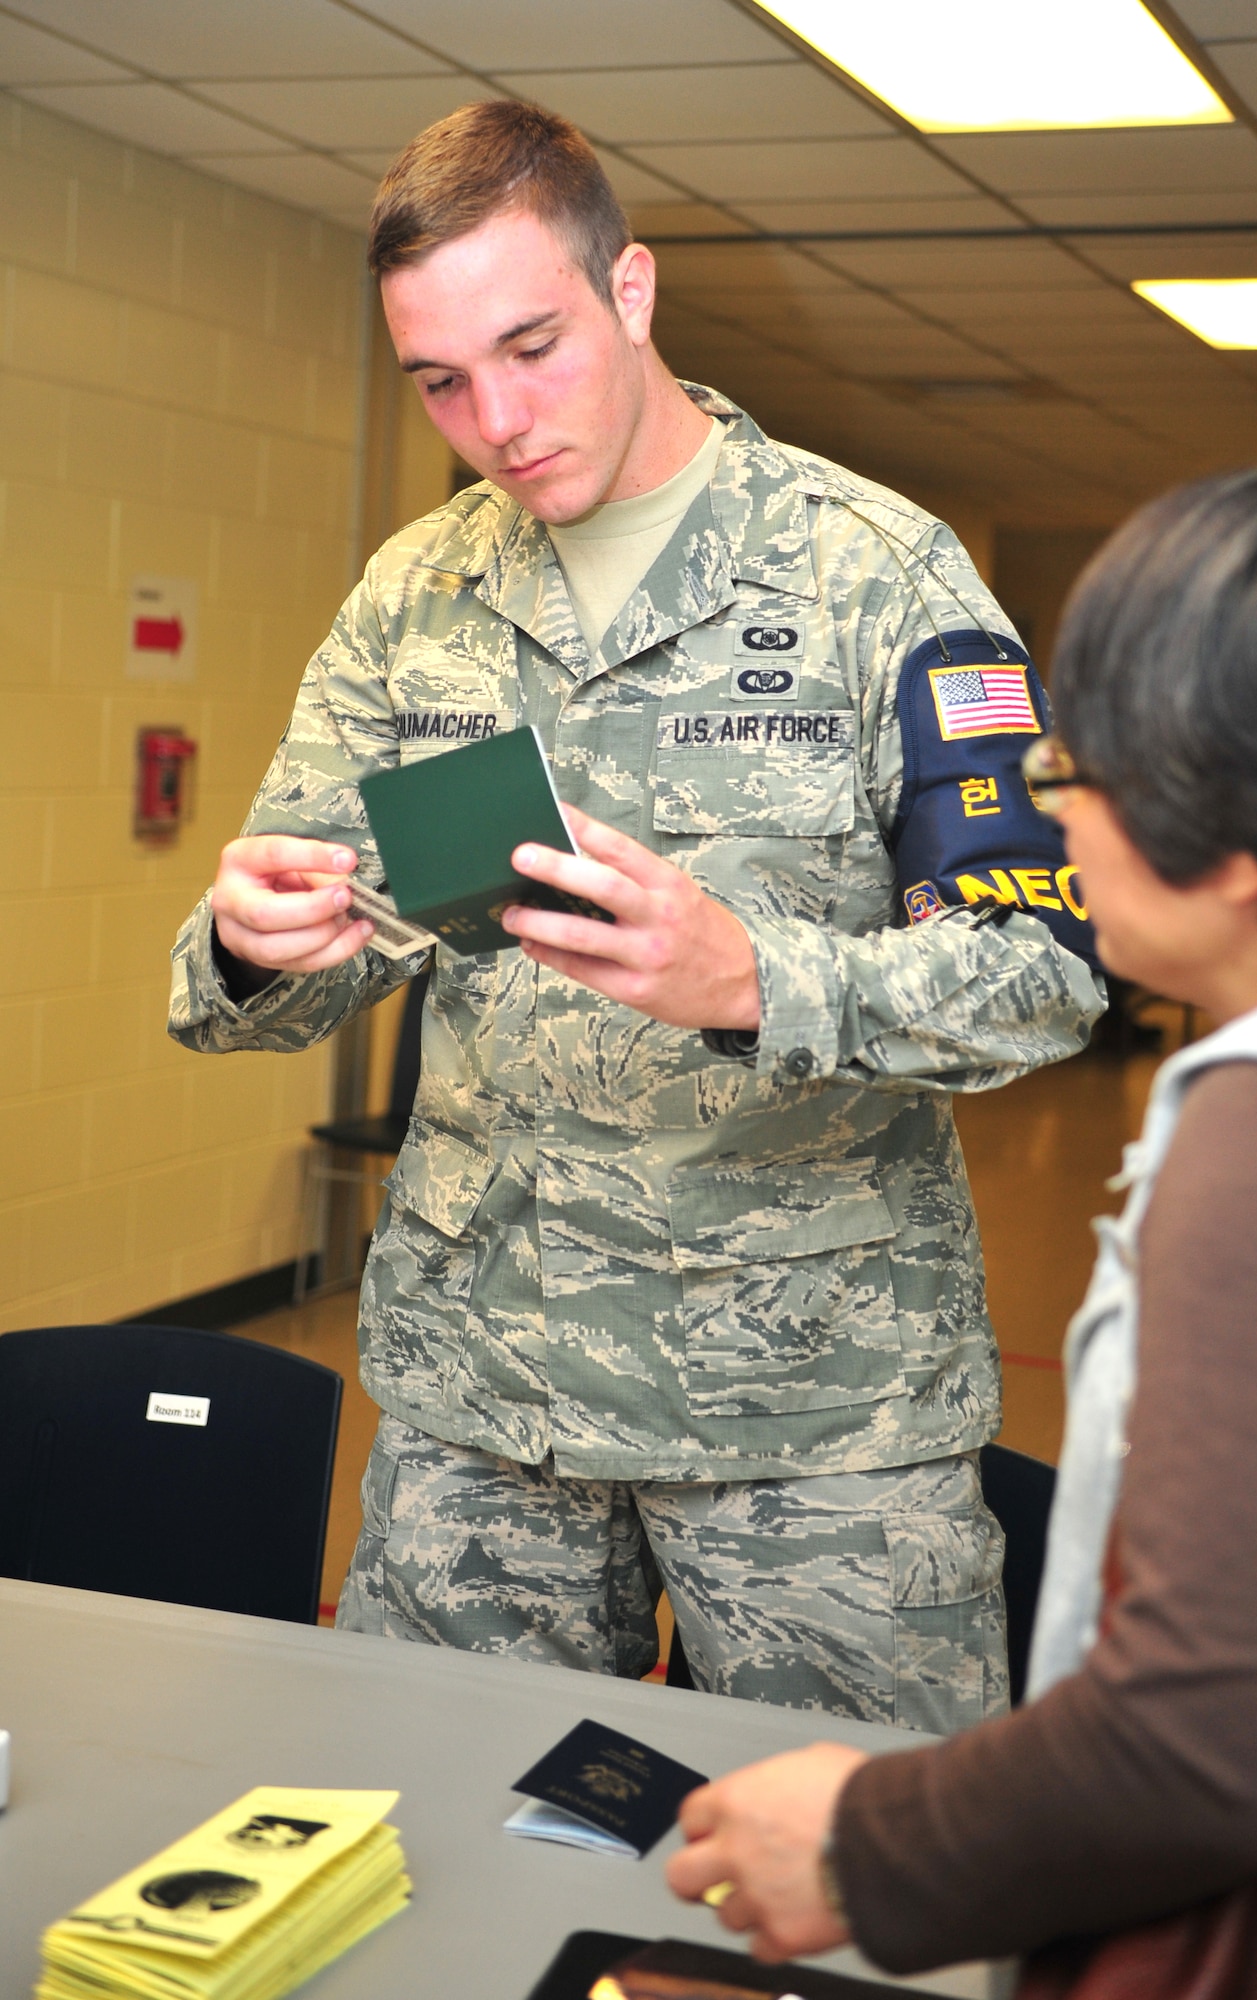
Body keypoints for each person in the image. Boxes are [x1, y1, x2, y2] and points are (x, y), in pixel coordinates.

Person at [167, 100, 1101, 1729]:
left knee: (863, 1915)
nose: (498, 421)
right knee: (432, 1864)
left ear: (635, 292)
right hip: (486, 1405)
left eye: (534, 347)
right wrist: (256, 943)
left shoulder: (875, 573)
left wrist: (760, 977)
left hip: (814, 1420)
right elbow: (286, 948)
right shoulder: (414, 594)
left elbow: (1043, 970)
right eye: (442, 382)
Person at [666, 463, 1257, 1974]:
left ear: (1239, 823)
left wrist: (864, 1840)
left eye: (1079, 764)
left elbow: (1198, 1747)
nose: (1047, 809)